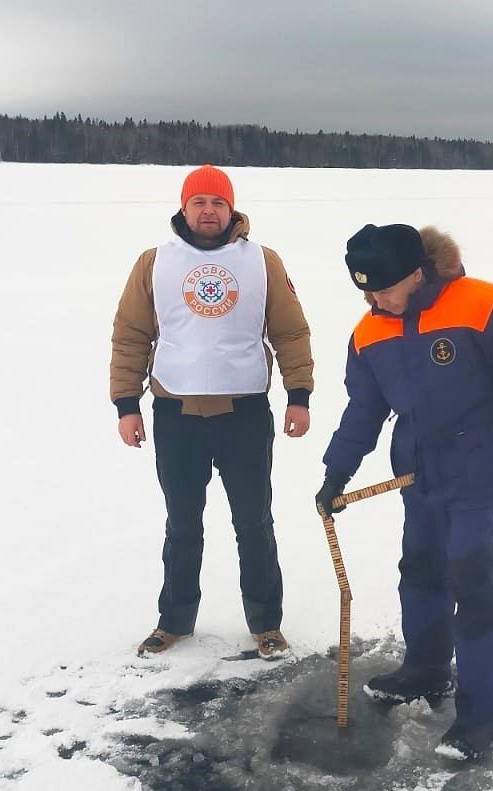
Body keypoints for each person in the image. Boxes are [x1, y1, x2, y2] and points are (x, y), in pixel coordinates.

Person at [316, 223, 493, 760]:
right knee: (420, 568)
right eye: (366, 292)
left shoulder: (484, 304)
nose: (375, 301)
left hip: (479, 468)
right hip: (417, 474)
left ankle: (483, 710)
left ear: (416, 274)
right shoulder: (370, 331)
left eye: (383, 290)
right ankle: (425, 669)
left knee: (472, 577)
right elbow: (365, 407)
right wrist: (337, 472)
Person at [110, 164, 314, 660]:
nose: (208, 211)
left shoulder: (262, 261)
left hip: (244, 414)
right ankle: (174, 620)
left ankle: (266, 623)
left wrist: (299, 393)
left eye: (217, 202)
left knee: (254, 522)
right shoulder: (153, 263)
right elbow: (131, 334)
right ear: (184, 208)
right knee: (182, 524)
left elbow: (290, 331)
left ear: (232, 209)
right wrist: (126, 404)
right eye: (198, 202)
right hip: (175, 414)